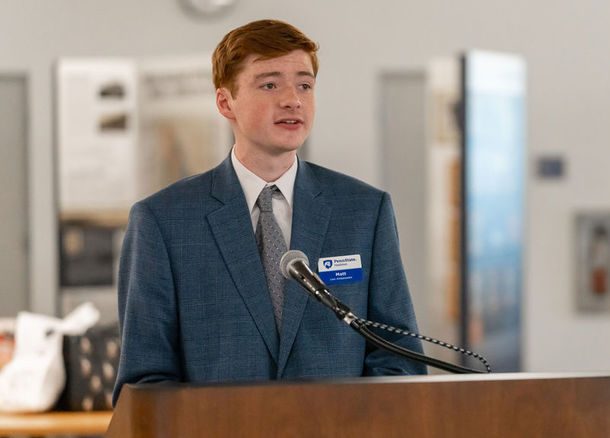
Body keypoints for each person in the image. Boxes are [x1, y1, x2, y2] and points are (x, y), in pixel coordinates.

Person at [113, 19, 426, 406]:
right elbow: (145, 383)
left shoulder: (363, 211)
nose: (292, 99)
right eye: (270, 84)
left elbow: (398, 357)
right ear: (226, 102)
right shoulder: (162, 221)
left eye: (304, 85)